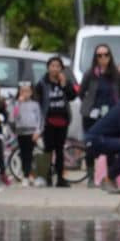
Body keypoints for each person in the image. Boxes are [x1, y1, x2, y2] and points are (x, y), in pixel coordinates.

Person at [80, 44, 120, 187]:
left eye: (106, 55)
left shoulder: (116, 74)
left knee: (111, 146)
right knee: (91, 145)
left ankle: (110, 178)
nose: (103, 58)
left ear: (110, 56)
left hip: (111, 115)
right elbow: (81, 92)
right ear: (95, 57)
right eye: (99, 55)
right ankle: (91, 178)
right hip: (92, 115)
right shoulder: (90, 73)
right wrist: (90, 106)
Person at [35, 56, 77, 187]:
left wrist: (64, 85)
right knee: (48, 148)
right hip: (48, 120)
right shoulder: (42, 83)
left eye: (58, 66)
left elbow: (72, 97)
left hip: (62, 120)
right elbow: (37, 101)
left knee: (59, 150)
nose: (55, 69)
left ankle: (60, 178)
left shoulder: (65, 81)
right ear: (48, 68)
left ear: (61, 69)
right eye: (52, 66)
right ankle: (46, 176)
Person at [12, 82, 41, 187]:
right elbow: (14, 116)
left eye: (27, 91)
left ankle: (28, 176)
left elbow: (39, 119)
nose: (25, 93)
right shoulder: (16, 103)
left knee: (30, 154)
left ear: (31, 92)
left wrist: (37, 131)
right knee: (23, 155)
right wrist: (18, 104)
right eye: (23, 91)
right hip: (21, 132)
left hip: (32, 133)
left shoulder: (35, 104)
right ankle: (26, 176)